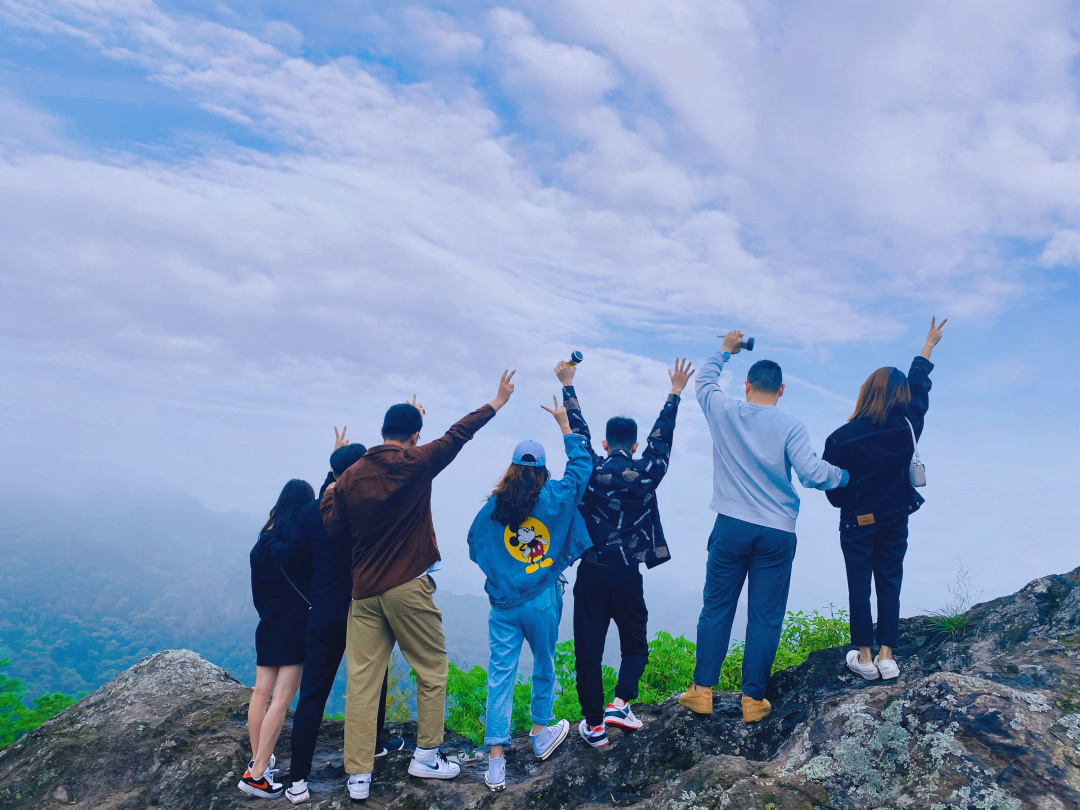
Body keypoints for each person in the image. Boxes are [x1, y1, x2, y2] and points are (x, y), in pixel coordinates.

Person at [322, 372, 517, 801]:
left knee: (362, 683)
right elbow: (458, 434)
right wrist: (497, 402)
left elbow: (333, 527)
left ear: (381, 432)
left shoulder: (351, 476)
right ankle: (426, 756)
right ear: (413, 435)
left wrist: (335, 474)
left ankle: (358, 776)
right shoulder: (418, 461)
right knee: (431, 669)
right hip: (408, 586)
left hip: (364, 594)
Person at [679, 331, 848, 723]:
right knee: (766, 616)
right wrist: (845, 476)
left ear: (747, 385)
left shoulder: (724, 409)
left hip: (731, 524)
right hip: (776, 531)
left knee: (717, 608)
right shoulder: (790, 423)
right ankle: (753, 701)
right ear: (782, 389)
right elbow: (810, 474)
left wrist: (726, 350)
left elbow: (703, 381)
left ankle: (701, 691)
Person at [557, 357, 695, 748]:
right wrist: (675, 392)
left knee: (588, 649)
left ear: (605, 444)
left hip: (592, 574)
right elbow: (661, 439)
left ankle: (594, 725)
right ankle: (621, 701)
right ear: (634, 446)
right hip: (627, 575)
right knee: (635, 644)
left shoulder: (590, 472)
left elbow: (578, 437)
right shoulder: (646, 474)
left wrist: (568, 385)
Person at [467, 396, 593, 792]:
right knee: (544, 663)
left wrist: (503, 573)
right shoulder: (554, 497)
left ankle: (496, 764)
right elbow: (582, 467)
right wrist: (565, 425)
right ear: (540, 470)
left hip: (504, 604)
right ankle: (540, 733)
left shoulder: (493, 508)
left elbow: (475, 545)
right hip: (542, 598)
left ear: (512, 469)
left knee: (500, 676)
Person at [823, 317, 947, 682]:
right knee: (890, 580)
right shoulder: (908, 424)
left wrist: (848, 502)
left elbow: (833, 485)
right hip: (896, 515)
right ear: (901, 396)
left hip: (858, 520)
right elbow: (920, 386)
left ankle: (863, 656)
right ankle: (887, 656)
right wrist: (928, 346)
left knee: (859, 584)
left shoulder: (842, 436)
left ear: (866, 392)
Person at [285, 429, 404, 806]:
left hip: (322, 611)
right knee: (372, 681)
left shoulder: (310, 510)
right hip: (363, 610)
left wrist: (313, 593)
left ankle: (297, 781)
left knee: (313, 695)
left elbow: (291, 559)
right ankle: (374, 748)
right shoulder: (370, 509)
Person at [242, 478, 315, 799]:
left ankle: (259, 761)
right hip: (295, 624)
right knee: (282, 700)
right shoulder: (299, 545)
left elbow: (258, 592)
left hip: (268, 622)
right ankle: (257, 775)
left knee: (260, 693)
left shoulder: (262, 543)